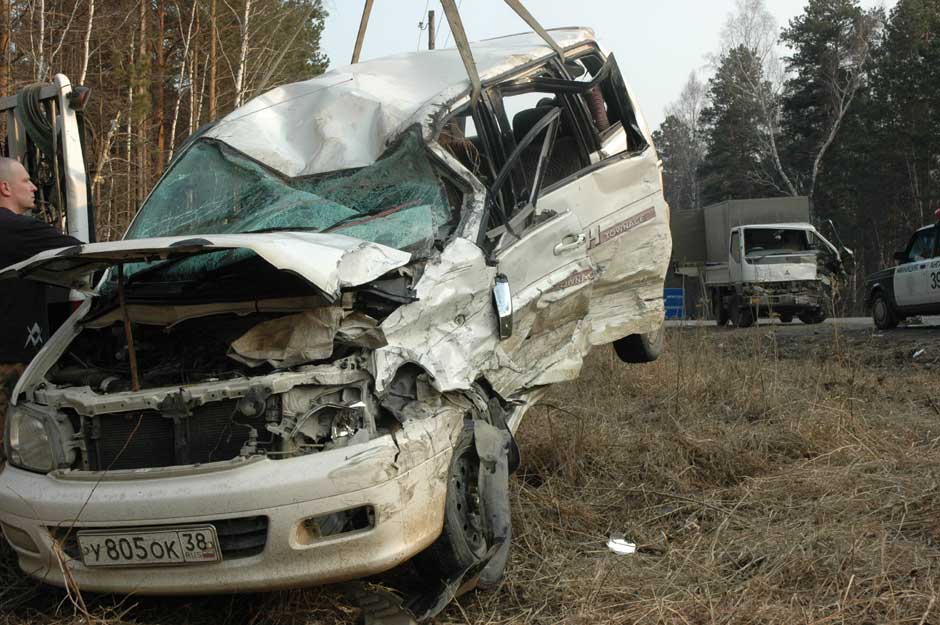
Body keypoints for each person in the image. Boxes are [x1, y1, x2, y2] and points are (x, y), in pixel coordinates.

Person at [0, 157, 81, 456]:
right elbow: (79, 252)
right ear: (5, 187)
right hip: (12, 360)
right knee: (17, 450)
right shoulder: (18, 229)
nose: (34, 186)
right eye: (26, 181)